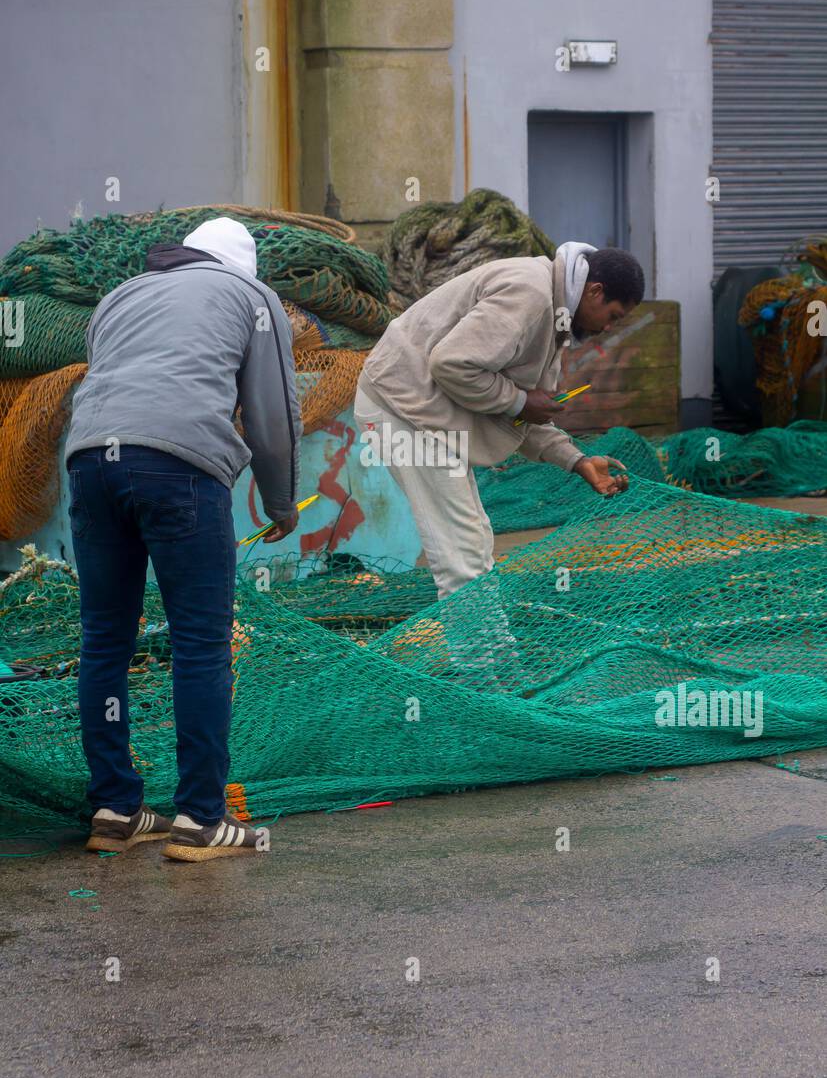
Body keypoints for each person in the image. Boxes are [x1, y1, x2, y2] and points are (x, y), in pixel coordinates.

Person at [65, 217, 301, 861]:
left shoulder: (121, 294)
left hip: (90, 463)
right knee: (200, 641)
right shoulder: (251, 298)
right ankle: (200, 818)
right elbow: (272, 411)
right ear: (240, 268)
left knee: (104, 640)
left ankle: (114, 809)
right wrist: (280, 500)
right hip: (179, 467)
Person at [355, 242, 644, 599]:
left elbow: (524, 415)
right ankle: (485, 656)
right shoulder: (531, 294)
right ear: (595, 291)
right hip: (397, 404)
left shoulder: (557, 314)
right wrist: (520, 402)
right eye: (613, 316)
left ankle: (490, 652)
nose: (608, 328)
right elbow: (452, 364)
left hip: (424, 409)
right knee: (461, 557)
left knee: (474, 541)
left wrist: (576, 460)